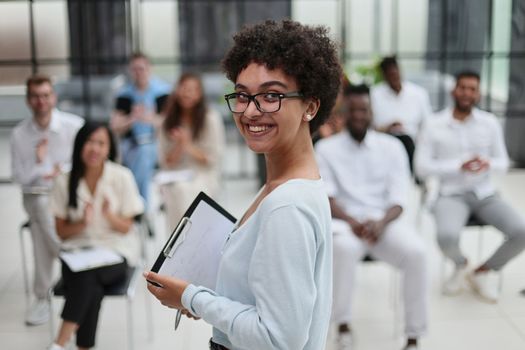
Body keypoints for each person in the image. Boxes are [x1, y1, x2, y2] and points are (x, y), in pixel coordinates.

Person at [144, 19, 341, 350]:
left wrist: (192, 297)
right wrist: (213, 297)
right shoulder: (287, 185)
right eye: (243, 95)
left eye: (272, 95)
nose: (251, 111)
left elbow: (279, 339)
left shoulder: (286, 205)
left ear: (310, 105)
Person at [315, 84, 428, 350]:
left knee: (418, 254)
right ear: (343, 113)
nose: (358, 115)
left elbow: (400, 197)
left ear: (371, 112)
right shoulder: (326, 149)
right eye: (352, 110)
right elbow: (326, 198)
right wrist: (353, 222)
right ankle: (342, 325)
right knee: (341, 250)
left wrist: (381, 222)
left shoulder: (392, 147)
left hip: (384, 224)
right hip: (345, 226)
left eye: (363, 109)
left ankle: (413, 337)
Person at [415, 70, 525, 303]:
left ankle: (482, 271)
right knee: (446, 236)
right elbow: (421, 167)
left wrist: (487, 164)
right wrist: (458, 166)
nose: (467, 93)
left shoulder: (489, 122)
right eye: (463, 87)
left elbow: (503, 163)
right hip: (450, 194)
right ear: (454, 90)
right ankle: (461, 264)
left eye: (472, 89)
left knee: (521, 231)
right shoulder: (433, 124)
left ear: (478, 94)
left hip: (485, 194)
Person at [48, 121, 144, 350]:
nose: (95, 149)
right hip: (77, 253)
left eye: (101, 143)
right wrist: (82, 223)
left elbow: (127, 228)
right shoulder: (64, 180)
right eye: (90, 142)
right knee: (91, 283)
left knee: (87, 278)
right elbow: (61, 232)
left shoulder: (122, 176)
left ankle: (59, 343)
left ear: (109, 148)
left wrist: (109, 216)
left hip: (115, 252)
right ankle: (80, 347)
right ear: (80, 145)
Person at [10, 74, 84, 326]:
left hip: (70, 196)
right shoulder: (20, 134)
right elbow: (20, 178)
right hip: (37, 197)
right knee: (41, 207)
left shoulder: (74, 126)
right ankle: (68, 256)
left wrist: (60, 173)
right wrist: (40, 165)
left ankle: (43, 296)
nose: (41, 101)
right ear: (28, 100)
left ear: (54, 97)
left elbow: (88, 164)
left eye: (45, 95)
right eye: (35, 96)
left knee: (40, 236)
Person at [158, 72, 225, 232]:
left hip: (203, 173)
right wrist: (179, 146)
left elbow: (212, 159)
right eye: (184, 88)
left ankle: (193, 236)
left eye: (193, 89)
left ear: (200, 93)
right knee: (176, 189)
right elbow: (166, 162)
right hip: (175, 173)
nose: (188, 93)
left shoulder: (210, 118)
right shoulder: (167, 120)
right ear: (177, 90)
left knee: (184, 191)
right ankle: (177, 239)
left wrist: (187, 145)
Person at [110, 52, 170, 208]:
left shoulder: (162, 92)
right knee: (139, 156)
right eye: (134, 69)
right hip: (130, 144)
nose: (138, 73)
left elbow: (169, 123)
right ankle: (142, 206)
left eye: (141, 68)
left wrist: (149, 118)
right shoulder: (124, 95)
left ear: (149, 68)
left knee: (143, 154)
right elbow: (115, 126)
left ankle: (137, 203)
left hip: (155, 143)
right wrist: (132, 117)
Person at [370, 56, 432, 173]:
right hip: (384, 144)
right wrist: (387, 128)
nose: (394, 77)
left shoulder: (419, 94)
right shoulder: (374, 94)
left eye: (395, 72)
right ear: (384, 76)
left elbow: (427, 125)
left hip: (413, 145)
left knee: (407, 141)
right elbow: (370, 127)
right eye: (389, 74)